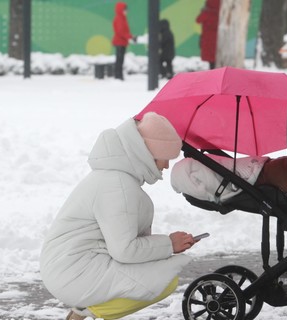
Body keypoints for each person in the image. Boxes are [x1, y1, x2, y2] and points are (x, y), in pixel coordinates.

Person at [40, 112, 197, 320]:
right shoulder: (118, 186)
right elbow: (125, 250)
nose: (166, 166)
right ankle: (81, 314)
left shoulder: (116, 178)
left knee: (160, 272)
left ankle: (81, 312)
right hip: (74, 271)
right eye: (165, 158)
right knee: (164, 281)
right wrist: (168, 244)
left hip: (71, 265)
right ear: (149, 154)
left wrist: (166, 247)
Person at [112, 2, 134, 80]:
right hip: (120, 42)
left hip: (121, 42)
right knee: (120, 59)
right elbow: (121, 31)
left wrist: (130, 36)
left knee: (120, 59)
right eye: (125, 9)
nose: (126, 11)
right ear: (121, 10)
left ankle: (118, 75)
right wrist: (129, 37)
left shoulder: (122, 18)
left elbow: (124, 31)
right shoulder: (120, 18)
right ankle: (118, 75)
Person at [196, 0, 220, 70]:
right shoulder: (220, 12)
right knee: (216, 57)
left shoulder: (207, 13)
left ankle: (213, 71)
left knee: (211, 59)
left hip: (208, 39)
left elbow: (198, 20)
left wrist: (203, 11)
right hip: (218, 38)